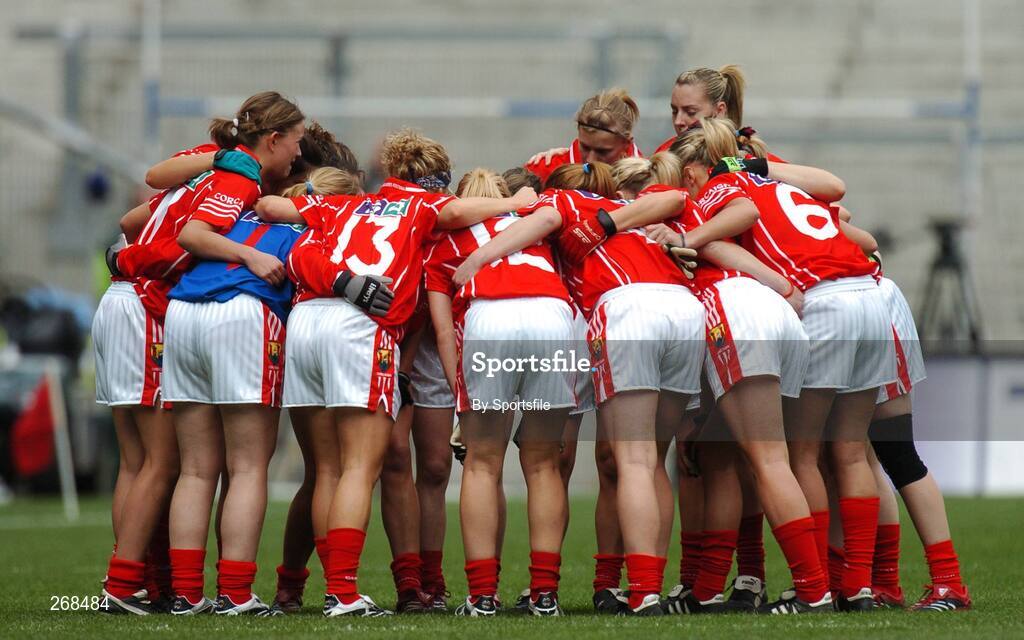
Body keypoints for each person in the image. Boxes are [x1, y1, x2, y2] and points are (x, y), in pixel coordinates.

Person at [255, 128, 539, 617]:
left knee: (326, 468)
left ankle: (330, 588)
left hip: (306, 321)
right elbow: (450, 212)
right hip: (360, 325)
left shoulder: (351, 203)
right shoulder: (422, 206)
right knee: (360, 468)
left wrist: (308, 199)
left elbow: (273, 209)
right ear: (435, 182)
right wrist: (516, 201)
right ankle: (344, 592)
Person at [452, 161, 699, 615]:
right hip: (676, 310)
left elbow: (532, 220)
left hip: (588, 310)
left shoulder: (550, 209)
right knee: (632, 460)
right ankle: (592, 593)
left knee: (485, 464)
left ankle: (483, 597)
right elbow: (678, 200)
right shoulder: (632, 210)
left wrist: (477, 260)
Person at [675, 118, 895, 612]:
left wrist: (688, 237)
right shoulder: (780, 181)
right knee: (852, 450)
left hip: (819, 298)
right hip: (870, 294)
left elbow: (727, 227)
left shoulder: (718, 188)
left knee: (798, 455)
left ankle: (810, 588)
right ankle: (855, 585)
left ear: (693, 169)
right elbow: (845, 208)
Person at [421, 168, 576, 616]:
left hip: (490, 319)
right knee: (545, 463)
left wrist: (460, 406)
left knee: (483, 466)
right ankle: (545, 595)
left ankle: (482, 596)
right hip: (552, 315)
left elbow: (445, 333)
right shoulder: (530, 220)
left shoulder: (445, 244)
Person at [525, 89, 644, 182]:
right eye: (585, 147)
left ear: (626, 143)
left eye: (603, 152)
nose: (590, 159)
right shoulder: (543, 170)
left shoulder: (647, 180)